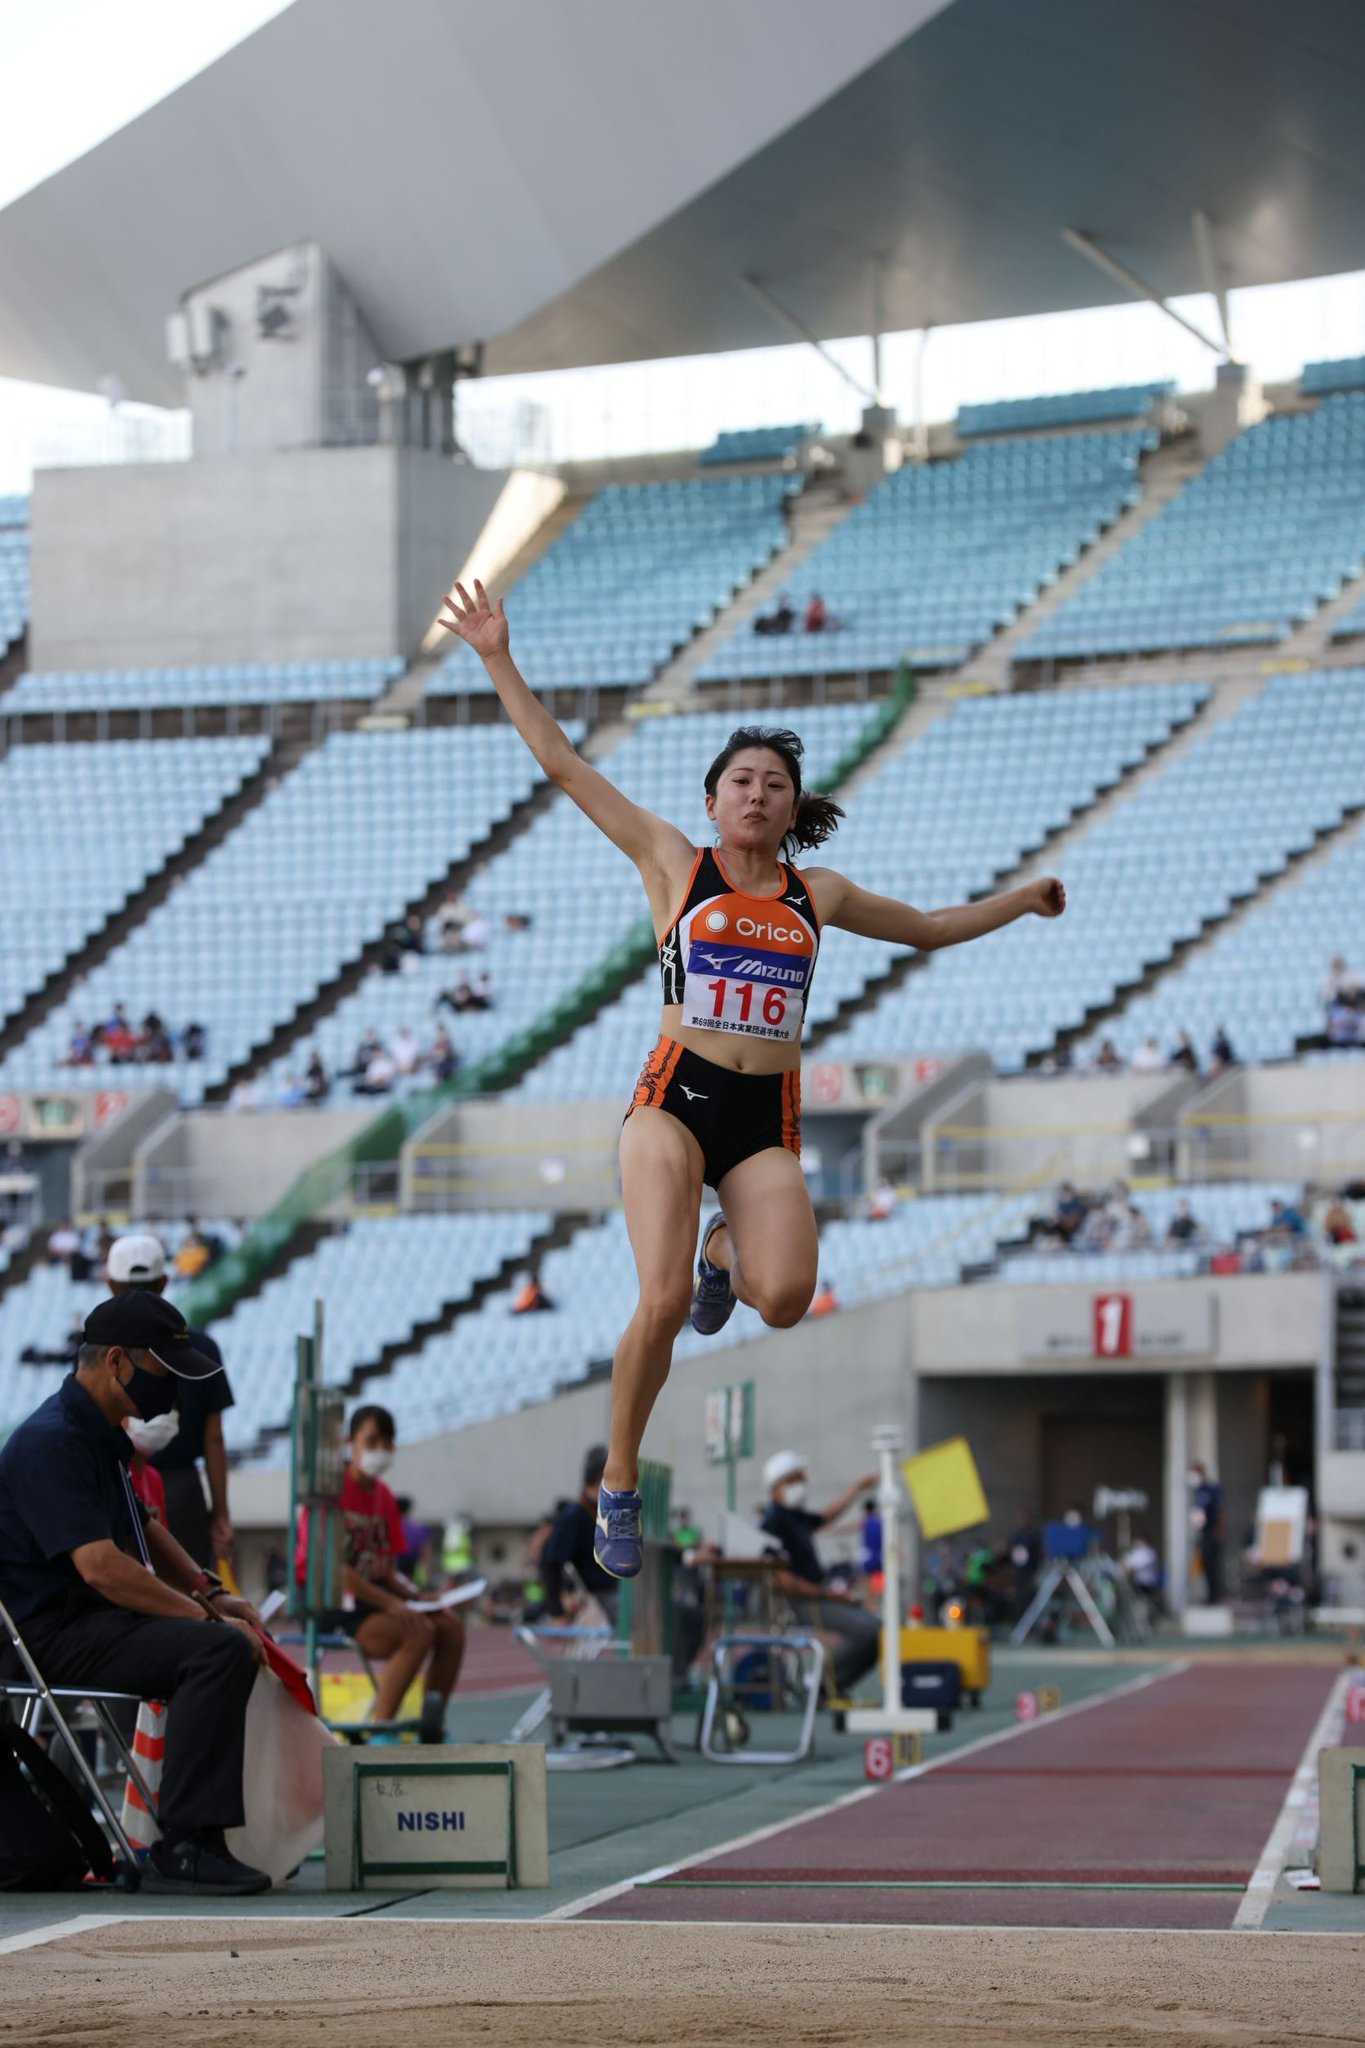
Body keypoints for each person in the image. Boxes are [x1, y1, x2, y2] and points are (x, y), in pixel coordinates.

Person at [440, 578, 1066, 1580]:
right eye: (741, 779)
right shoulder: (671, 861)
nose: (757, 793)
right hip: (674, 1100)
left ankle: (724, 1256)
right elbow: (560, 762)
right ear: (712, 798)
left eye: (774, 781)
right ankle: (619, 1480)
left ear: (791, 805)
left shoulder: (822, 893)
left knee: (782, 1296)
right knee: (655, 1301)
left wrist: (1025, 897)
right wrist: (495, 655)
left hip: (763, 1120)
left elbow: (937, 927)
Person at [0, 1290, 269, 1894]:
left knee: (223, 1639)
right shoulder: (50, 1441)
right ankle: (188, 1846)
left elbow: (141, 1524)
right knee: (217, 1652)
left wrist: (210, 1593)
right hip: (49, 1636)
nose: (174, 1392)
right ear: (116, 1361)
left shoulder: (96, 1433)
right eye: (163, 1373)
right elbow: (100, 1567)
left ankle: (206, 1836)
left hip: (88, 1623)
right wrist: (204, 1624)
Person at [296, 1404, 462, 1742]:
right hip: (329, 1603)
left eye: (388, 1442)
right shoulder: (332, 1492)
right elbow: (335, 1571)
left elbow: (386, 1569)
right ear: (349, 1442)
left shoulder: (383, 1496)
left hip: (371, 1599)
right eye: (372, 1440)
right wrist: (393, 1604)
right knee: (416, 1630)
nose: (381, 1450)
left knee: (450, 1627)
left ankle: (431, 1728)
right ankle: (381, 1730)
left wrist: (416, 1597)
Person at [107, 1234, 237, 1571]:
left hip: (118, 1480)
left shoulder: (97, 1351)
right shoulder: (201, 1348)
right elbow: (214, 1438)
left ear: (110, 1284)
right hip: (181, 1490)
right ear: (164, 1281)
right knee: (192, 1586)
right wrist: (221, 1512)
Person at [759, 1451, 881, 1697]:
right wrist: (830, 1595)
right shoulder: (773, 1524)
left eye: (802, 1480)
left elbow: (827, 1515)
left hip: (818, 1596)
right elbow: (783, 1581)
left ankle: (831, 1687)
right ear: (775, 1487)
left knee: (879, 1630)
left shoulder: (795, 1517)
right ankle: (818, 1684)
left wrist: (857, 1487)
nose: (800, 1486)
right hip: (803, 1602)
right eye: (793, 1481)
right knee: (869, 1632)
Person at [540, 1446, 622, 1626]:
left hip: (612, 1593)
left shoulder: (603, 1512)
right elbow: (551, 1562)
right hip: (600, 1598)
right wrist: (557, 1611)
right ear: (602, 1475)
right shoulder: (574, 1515)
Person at [1188, 1461, 1224, 1603]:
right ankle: (1208, 1595)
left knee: (1213, 1566)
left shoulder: (1212, 1489)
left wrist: (1220, 1530)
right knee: (1204, 1566)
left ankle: (1215, 1596)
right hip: (1202, 1533)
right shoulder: (1197, 1491)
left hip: (1212, 1532)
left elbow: (1220, 1510)